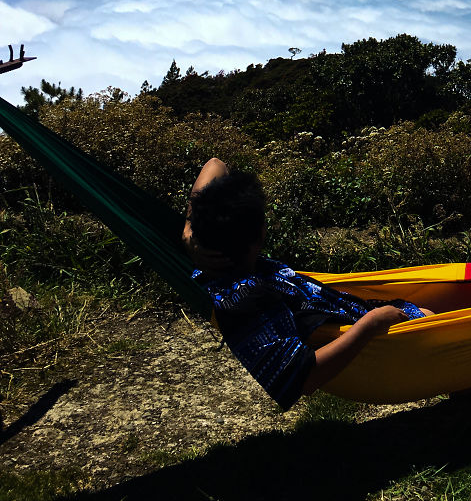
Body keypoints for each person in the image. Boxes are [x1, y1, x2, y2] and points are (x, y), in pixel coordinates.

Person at [182, 158, 432, 409]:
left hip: (348, 310)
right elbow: (305, 378)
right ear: (259, 236)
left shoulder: (217, 258)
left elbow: (215, 164)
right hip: (367, 333)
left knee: (442, 296)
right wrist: (372, 322)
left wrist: (189, 228)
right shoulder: (244, 302)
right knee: (433, 319)